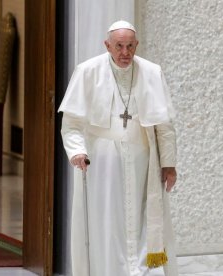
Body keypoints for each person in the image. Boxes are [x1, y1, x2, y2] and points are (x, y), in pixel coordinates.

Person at [59, 20, 178, 276]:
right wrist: (77, 151)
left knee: (143, 221)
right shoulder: (87, 71)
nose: (125, 53)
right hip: (103, 163)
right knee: (107, 224)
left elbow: (164, 126)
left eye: (130, 47)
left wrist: (168, 164)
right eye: (119, 46)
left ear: (136, 45)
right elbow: (71, 124)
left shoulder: (152, 72)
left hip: (143, 162)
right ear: (107, 45)